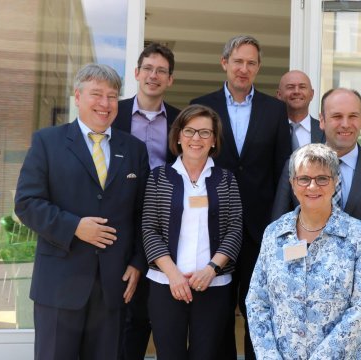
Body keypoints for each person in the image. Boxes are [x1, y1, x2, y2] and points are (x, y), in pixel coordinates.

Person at [14, 63, 149, 360]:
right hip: (59, 285)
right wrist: (74, 226)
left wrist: (138, 262)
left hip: (113, 288)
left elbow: (143, 213)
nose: (105, 104)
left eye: (112, 96)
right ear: (77, 96)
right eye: (96, 94)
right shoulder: (47, 142)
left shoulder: (135, 149)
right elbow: (26, 203)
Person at [271, 88, 361, 357]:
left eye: (352, 116)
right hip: (299, 312)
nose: (345, 124)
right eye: (336, 116)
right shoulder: (297, 165)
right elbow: (279, 235)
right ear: (321, 120)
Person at [190, 34, 291, 359]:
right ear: (225, 63)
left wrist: (277, 227)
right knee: (215, 317)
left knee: (257, 314)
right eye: (238, 61)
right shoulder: (202, 107)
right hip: (212, 228)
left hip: (258, 232)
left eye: (251, 63)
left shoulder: (275, 110)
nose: (243, 68)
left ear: (258, 68)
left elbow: (282, 172)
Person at [247, 143, 361, 359]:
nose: (312, 186)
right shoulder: (274, 233)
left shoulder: (358, 234)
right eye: (304, 179)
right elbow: (257, 301)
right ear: (292, 183)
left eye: (322, 178)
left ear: (335, 182)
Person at [141, 104, 243, 359]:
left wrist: (211, 269)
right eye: (189, 131)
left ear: (213, 141)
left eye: (205, 133)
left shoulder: (227, 179)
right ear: (178, 136)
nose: (196, 138)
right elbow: (149, 229)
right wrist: (174, 275)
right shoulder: (158, 177)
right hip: (166, 285)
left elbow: (235, 229)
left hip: (213, 285)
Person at [112, 42, 181, 360]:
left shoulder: (182, 121)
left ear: (170, 80)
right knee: (120, 305)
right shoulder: (114, 114)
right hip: (120, 218)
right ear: (137, 73)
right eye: (148, 69)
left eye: (162, 71)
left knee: (151, 308)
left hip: (167, 221)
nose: (154, 76)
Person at [276, 70, 325, 151]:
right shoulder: (267, 130)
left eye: (302, 87)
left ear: (312, 94)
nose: (296, 91)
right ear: (279, 95)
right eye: (290, 87)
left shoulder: (325, 131)